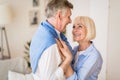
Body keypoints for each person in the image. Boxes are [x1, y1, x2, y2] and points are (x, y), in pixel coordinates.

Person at [29, 0, 74, 80]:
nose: (70, 21)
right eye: (68, 17)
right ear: (59, 16)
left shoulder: (42, 30)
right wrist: (67, 60)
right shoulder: (51, 43)